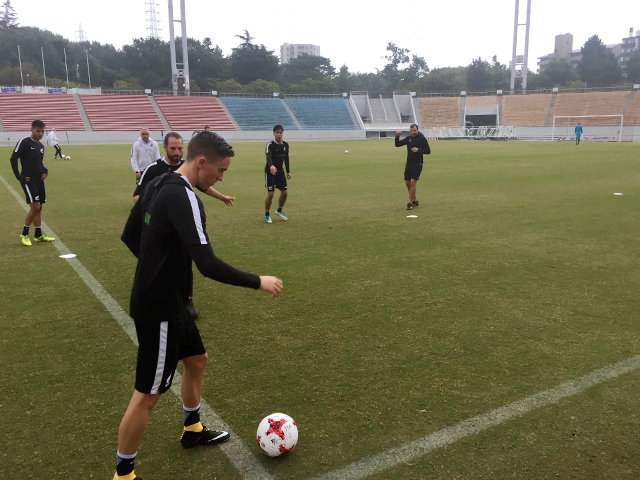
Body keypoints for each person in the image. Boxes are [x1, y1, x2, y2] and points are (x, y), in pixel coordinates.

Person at [115, 131, 283, 480]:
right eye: (221, 170)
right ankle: (123, 474)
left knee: (196, 360)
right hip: (160, 309)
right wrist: (258, 281)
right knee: (147, 394)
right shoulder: (184, 196)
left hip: (172, 302)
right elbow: (207, 264)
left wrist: (159, 267)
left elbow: (130, 235)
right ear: (202, 162)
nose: (221, 178)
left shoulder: (157, 182)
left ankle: (192, 429)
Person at [132, 131, 236, 321]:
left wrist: (221, 197)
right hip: (160, 304)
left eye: (180, 148)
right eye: (173, 148)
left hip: (161, 293)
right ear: (165, 148)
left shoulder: (183, 172)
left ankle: (187, 300)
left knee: (185, 263)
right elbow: (208, 265)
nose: (177, 152)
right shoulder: (156, 173)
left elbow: (203, 185)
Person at [10, 119, 55, 246]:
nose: (40, 134)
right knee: (35, 207)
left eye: (42, 131)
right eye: (38, 131)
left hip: (38, 180)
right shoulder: (24, 142)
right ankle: (24, 234)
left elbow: (39, 163)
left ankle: (38, 235)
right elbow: (13, 159)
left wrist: (45, 170)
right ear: (31, 129)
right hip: (28, 180)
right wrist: (19, 176)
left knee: (39, 208)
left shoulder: (40, 146)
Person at [395, 124, 431, 210]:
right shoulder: (409, 138)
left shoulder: (422, 139)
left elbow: (428, 151)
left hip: (417, 163)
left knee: (412, 182)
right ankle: (414, 199)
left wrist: (418, 150)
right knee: (407, 182)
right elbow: (398, 144)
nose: (413, 132)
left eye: (414, 130)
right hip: (409, 163)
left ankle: (410, 203)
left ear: (417, 130)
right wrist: (397, 136)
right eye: (411, 131)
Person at [264, 124, 291, 223]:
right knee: (270, 194)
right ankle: (267, 214)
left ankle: (279, 210)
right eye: (277, 132)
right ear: (274, 133)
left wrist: (288, 171)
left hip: (280, 171)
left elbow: (286, 158)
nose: (279, 134)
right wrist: (271, 165)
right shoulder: (270, 145)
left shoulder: (285, 145)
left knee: (285, 193)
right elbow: (268, 156)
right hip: (270, 171)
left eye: (280, 132)